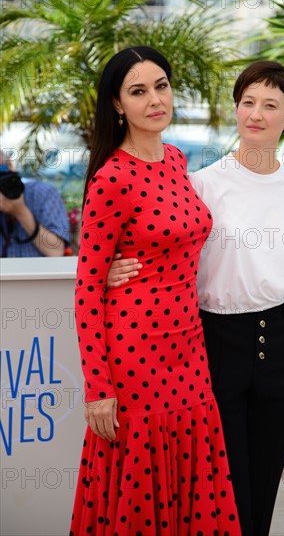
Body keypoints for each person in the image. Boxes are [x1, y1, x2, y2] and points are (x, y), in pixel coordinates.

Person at [107, 60, 284, 536]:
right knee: (222, 493)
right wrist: (110, 270)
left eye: (270, 105)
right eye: (247, 102)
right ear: (235, 110)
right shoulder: (202, 183)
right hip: (212, 345)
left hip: (282, 348)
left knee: (263, 489)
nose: (256, 113)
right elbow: (158, 246)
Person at [69, 46, 241, 536]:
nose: (154, 100)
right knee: (141, 481)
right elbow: (85, 292)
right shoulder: (112, 179)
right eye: (138, 91)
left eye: (161, 86)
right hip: (135, 355)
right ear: (118, 105)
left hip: (188, 347)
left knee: (192, 473)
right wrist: (99, 389)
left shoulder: (176, 158)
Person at [0, 149, 70, 257]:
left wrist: (21, 212)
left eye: (2, 172)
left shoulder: (43, 194)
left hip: (40, 272)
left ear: (11, 168)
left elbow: (56, 251)